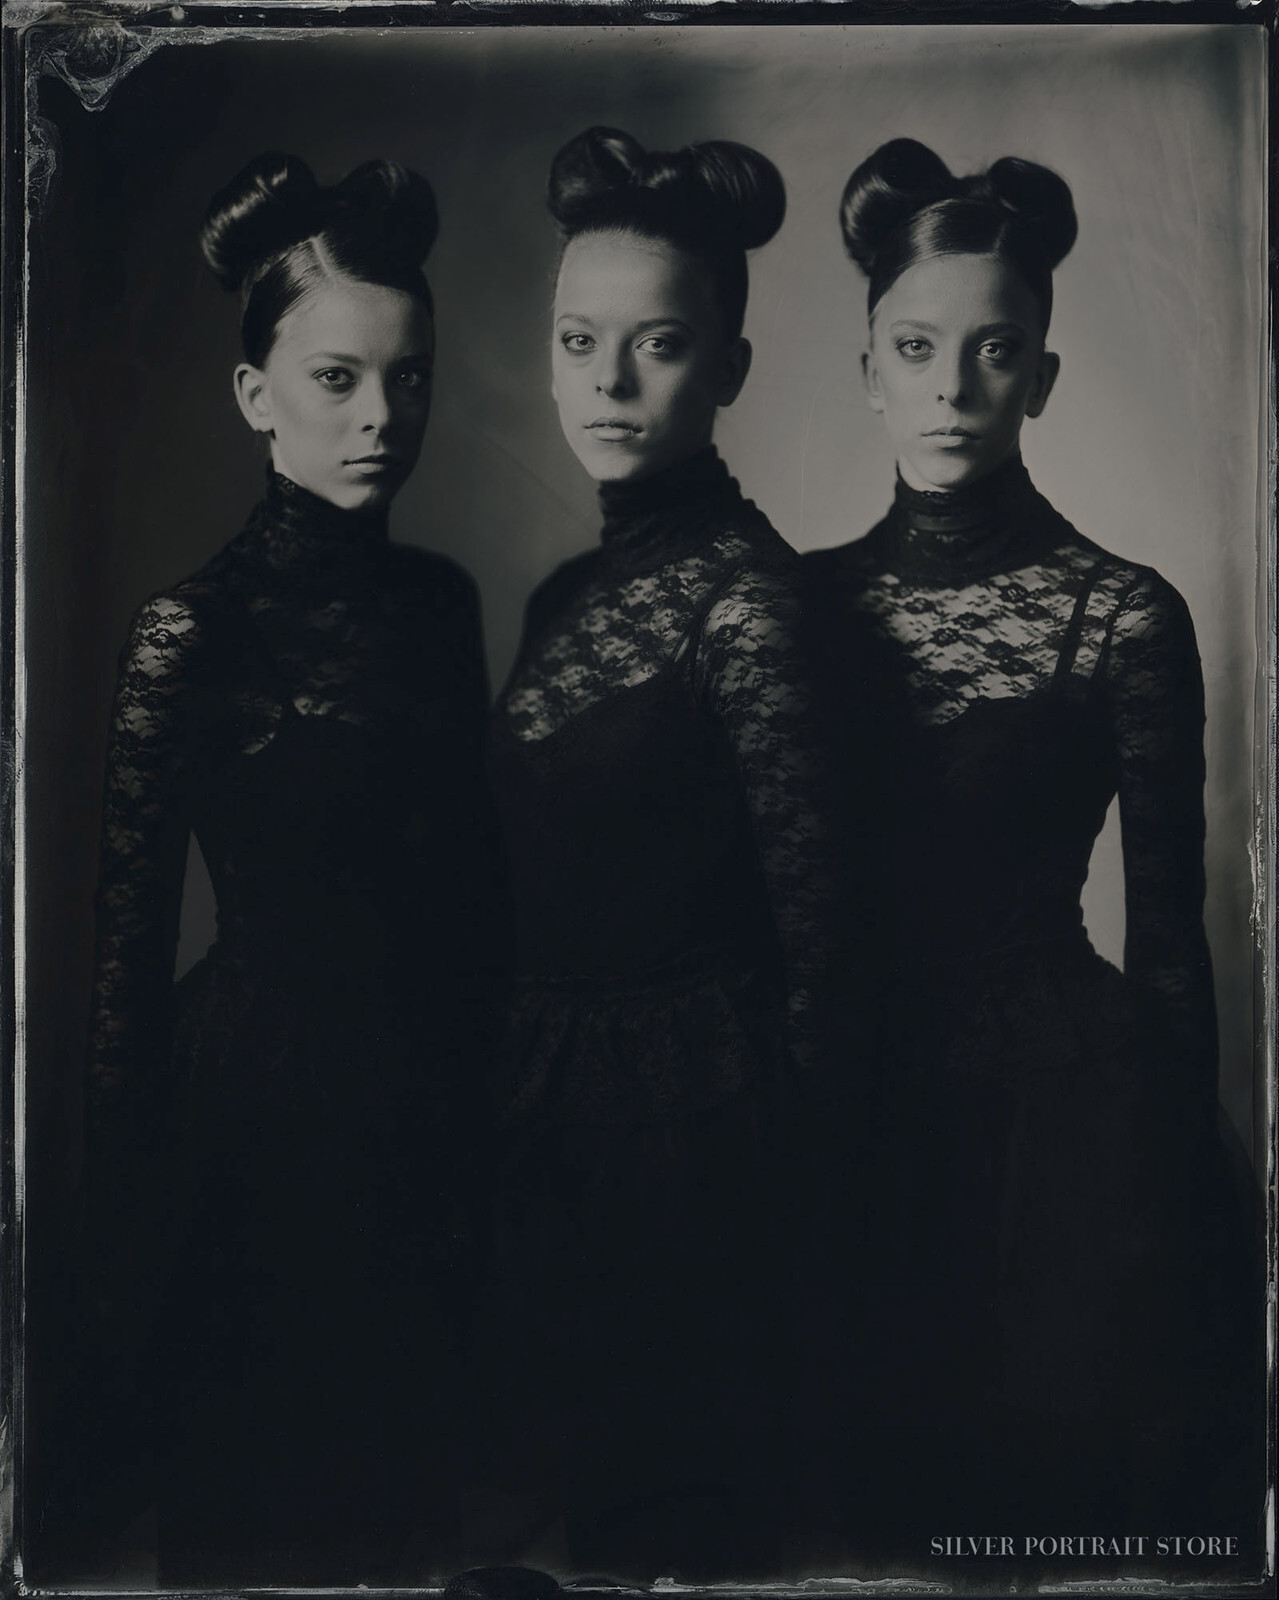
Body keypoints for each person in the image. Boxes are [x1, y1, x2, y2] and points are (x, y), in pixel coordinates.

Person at [804, 138, 1260, 1553]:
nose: (951, 388)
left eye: (993, 350)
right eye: (918, 347)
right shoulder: (792, 611)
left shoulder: (1124, 614)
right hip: (850, 1112)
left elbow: (1173, 935)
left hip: (1062, 1128)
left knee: (1044, 1519)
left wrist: (1180, 1198)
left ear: (1041, 377)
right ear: (868, 365)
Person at [79, 151, 500, 1585]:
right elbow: (122, 985)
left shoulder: (443, 609)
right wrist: (114, 1268)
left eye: (411, 377)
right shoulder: (183, 636)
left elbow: (472, 901)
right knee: (261, 1529)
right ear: (255, 394)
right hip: (253, 1136)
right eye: (338, 379)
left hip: (432, 1131)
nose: (384, 415)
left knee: (408, 1519)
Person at [483, 126, 847, 1581]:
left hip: (696, 1144)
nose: (608, 382)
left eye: (658, 345)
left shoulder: (752, 602)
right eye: (580, 340)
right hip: (552, 1117)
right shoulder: (568, 590)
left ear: (731, 373)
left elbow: (818, 945)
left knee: (677, 1525)